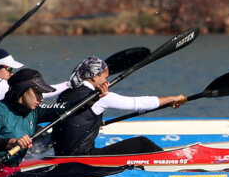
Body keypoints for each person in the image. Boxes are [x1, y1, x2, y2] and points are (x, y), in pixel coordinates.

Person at [39, 55, 187, 156]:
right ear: (94, 77)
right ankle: (173, 168)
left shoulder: (64, 93)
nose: (106, 82)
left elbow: (75, 121)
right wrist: (172, 98)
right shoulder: (100, 97)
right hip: (84, 158)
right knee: (141, 143)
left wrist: (92, 124)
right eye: (105, 78)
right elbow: (138, 104)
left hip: (62, 155)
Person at [0, 68, 55, 165]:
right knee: (72, 170)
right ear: (22, 90)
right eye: (37, 93)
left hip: (14, 169)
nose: (41, 99)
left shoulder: (34, 111)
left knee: (72, 167)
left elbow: (66, 107)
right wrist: (13, 142)